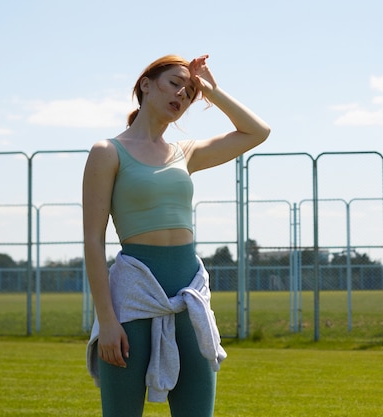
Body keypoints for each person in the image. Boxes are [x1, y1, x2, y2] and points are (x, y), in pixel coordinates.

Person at [83, 54, 270, 417]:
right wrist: (107, 321)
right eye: (174, 83)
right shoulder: (108, 152)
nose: (182, 94)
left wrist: (212, 92)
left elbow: (257, 132)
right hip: (133, 297)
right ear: (145, 85)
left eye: (190, 91)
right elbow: (93, 240)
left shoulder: (185, 153)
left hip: (189, 295)